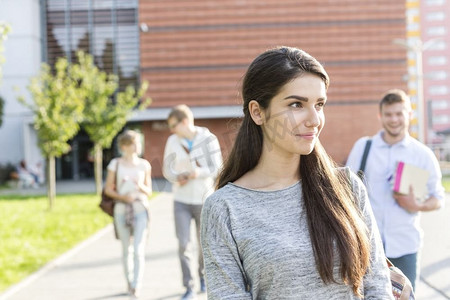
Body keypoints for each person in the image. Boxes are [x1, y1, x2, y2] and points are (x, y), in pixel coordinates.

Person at [200, 46, 393, 299]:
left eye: (320, 104)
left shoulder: (347, 187)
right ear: (258, 112)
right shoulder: (224, 208)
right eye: (296, 104)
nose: (314, 119)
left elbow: (377, 284)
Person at [346, 89, 445, 290]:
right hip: (366, 246)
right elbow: (346, 190)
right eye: (389, 114)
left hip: (405, 246)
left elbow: (438, 198)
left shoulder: (422, 155)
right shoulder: (363, 147)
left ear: (409, 115)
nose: (394, 119)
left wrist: (417, 204)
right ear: (380, 116)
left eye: (399, 114)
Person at [162, 104, 223, 300]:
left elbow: (217, 167)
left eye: (173, 125)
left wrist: (198, 173)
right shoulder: (173, 141)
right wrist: (176, 177)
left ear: (185, 122)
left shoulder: (208, 138)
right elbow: (166, 169)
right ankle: (188, 286)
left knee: (203, 244)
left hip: (203, 199)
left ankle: (203, 277)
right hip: (180, 199)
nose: (171, 130)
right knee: (183, 244)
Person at [104, 130, 152, 299]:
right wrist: (123, 197)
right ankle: (129, 282)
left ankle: (136, 285)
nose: (138, 146)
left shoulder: (144, 165)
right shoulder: (115, 164)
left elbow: (149, 190)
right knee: (127, 249)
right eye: (135, 143)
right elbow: (108, 189)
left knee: (138, 249)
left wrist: (139, 186)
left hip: (140, 209)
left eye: (139, 142)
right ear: (125, 146)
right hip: (121, 210)